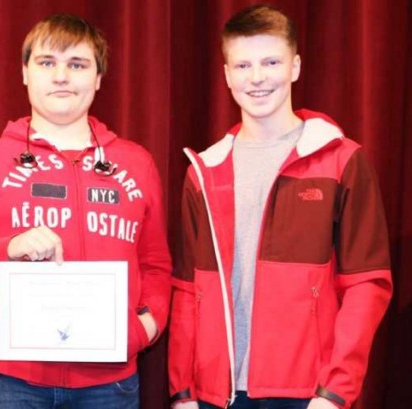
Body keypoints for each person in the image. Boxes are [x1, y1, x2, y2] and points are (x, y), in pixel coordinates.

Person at [0, 14, 172, 409]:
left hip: (108, 383)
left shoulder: (136, 164)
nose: (61, 77)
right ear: (25, 73)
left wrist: (143, 329)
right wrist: (6, 249)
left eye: (77, 64)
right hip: (4, 380)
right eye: (47, 62)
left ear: (99, 77)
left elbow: (155, 265)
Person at [168, 5, 393, 409]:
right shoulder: (203, 171)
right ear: (226, 74)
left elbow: (367, 285)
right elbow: (187, 290)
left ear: (295, 66)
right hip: (216, 394)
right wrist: (183, 390)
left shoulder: (341, 160)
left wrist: (335, 392)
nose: (256, 78)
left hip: (306, 395)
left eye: (271, 62)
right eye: (242, 65)